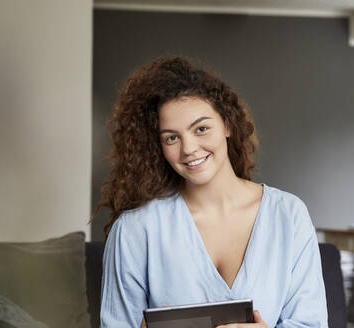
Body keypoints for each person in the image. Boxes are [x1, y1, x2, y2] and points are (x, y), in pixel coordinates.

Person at [96, 56, 328, 328]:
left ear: (227, 125)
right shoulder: (134, 230)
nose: (189, 148)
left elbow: (311, 323)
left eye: (201, 129)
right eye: (171, 137)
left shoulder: (289, 215)